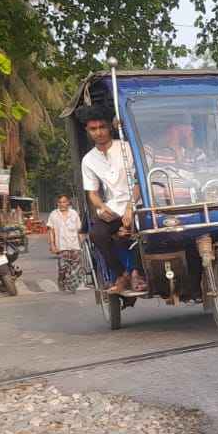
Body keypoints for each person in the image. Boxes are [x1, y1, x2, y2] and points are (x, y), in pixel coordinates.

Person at [77, 104, 145, 294]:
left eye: (102, 127)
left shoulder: (127, 148)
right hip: (113, 209)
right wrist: (103, 207)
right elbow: (92, 192)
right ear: (88, 131)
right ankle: (121, 274)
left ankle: (138, 272)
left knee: (147, 230)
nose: (98, 132)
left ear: (109, 127)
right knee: (96, 234)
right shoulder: (88, 160)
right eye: (93, 129)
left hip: (137, 204)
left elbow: (140, 181)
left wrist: (131, 208)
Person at [45, 193, 84, 293]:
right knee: (63, 267)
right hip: (61, 246)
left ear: (68, 202)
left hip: (74, 245)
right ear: (57, 203)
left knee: (75, 268)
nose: (62, 204)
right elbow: (50, 231)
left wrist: (82, 243)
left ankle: (71, 285)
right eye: (60, 202)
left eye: (64, 202)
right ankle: (61, 280)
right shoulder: (54, 214)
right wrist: (52, 245)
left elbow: (79, 230)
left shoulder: (74, 213)